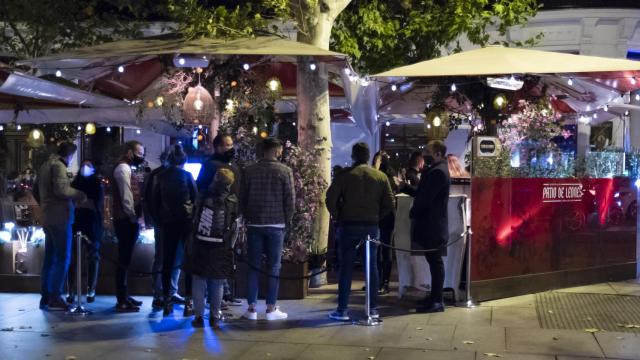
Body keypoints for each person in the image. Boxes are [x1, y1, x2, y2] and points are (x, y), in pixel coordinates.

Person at [325, 143, 394, 321]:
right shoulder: (380, 177)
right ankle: (372, 308)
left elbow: (330, 199)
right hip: (371, 226)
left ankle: (342, 309)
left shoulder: (344, 176)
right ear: (368, 155)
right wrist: (377, 216)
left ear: (353, 156)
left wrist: (338, 214)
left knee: (346, 268)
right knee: (371, 267)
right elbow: (390, 203)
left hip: (348, 225)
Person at [241, 138, 295, 321]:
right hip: (276, 224)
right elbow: (290, 200)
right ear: (278, 151)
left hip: (254, 224)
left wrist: (246, 217)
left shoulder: (249, 171)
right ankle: (271, 308)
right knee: (274, 267)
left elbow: (243, 198)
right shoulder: (285, 171)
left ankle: (251, 308)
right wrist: (287, 221)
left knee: (253, 267)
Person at [36, 142, 87, 311]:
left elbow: (36, 189)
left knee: (50, 259)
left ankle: (46, 296)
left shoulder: (45, 165)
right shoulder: (58, 166)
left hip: (48, 216)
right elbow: (62, 190)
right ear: (70, 155)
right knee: (62, 257)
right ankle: (55, 296)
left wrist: (45, 204)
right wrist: (80, 194)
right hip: (60, 217)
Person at [196, 133, 243, 308]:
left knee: (227, 255)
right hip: (216, 219)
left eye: (232, 144)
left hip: (233, 217)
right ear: (218, 147)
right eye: (227, 145)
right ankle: (217, 296)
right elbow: (201, 190)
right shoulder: (210, 166)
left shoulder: (234, 166)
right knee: (218, 256)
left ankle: (225, 293)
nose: (231, 148)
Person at [404, 140, 451, 313]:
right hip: (431, 225)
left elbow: (426, 198)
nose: (424, 154)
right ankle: (434, 298)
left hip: (433, 225)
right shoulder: (437, 170)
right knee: (433, 262)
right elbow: (423, 193)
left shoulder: (438, 172)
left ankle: (437, 301)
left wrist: (414, 212)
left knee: (435, 262)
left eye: (428, 151)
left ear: (438, 153)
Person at [189, 168, 239, 329]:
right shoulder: (231, 200)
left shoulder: (202, 195)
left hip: (200, 242)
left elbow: (194, 217)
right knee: (217, 281)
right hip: (221, 245)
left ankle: (198, 317)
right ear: (230, 184)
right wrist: (230, 246)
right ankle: (215, 316)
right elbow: (234, 226)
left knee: (199, 279)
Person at [154, 144, 197, 317]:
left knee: (167, 262)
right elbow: (196, 198)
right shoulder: (187, 176)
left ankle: (167, 301)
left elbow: (154, 200)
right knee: (188, 262)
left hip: (168, 223)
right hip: (186, 222)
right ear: (184, 161)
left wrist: (159, 220)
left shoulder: (161, 177)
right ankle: (188, 302)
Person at [144, 147, 184, 310]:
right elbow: (151, 199)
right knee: (165, 257)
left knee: (169, 257)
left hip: (164, 221)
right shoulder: (159, 176)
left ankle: (166, 292)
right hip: (166, 222)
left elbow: (149, 198)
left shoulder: (157, 175)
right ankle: (162, 292)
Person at [112, 140, 146, 312]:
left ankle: (125, 296)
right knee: (124, 259)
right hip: (125, 219)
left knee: (125, 259)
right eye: (139, 153)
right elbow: (126, 196)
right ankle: (122, 300)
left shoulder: (125, 168)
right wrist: (133, 216)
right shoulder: (123, 168)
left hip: (126, 219)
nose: (141, 156)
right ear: (129, 152)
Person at [67, 160, 104, 304]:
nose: (85, 168)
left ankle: (91, 290)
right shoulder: (75, 182)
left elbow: (96, 204)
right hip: (76, 223)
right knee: (73, 258)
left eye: (89, 165)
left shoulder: (96, 183)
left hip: (92, 224)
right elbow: (71, 202)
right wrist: (85, 203)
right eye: (84, 164)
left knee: (93, 256)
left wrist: (83, 203)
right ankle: (71, 290)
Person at [371, 150, 396, 295]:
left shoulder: (387, 178)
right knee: (376, 250)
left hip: (385, 218)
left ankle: (384, 283)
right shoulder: (381, 176)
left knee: (385, 250)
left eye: (378, 161)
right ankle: (377, 280)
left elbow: (388, 201)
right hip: (378, 217)